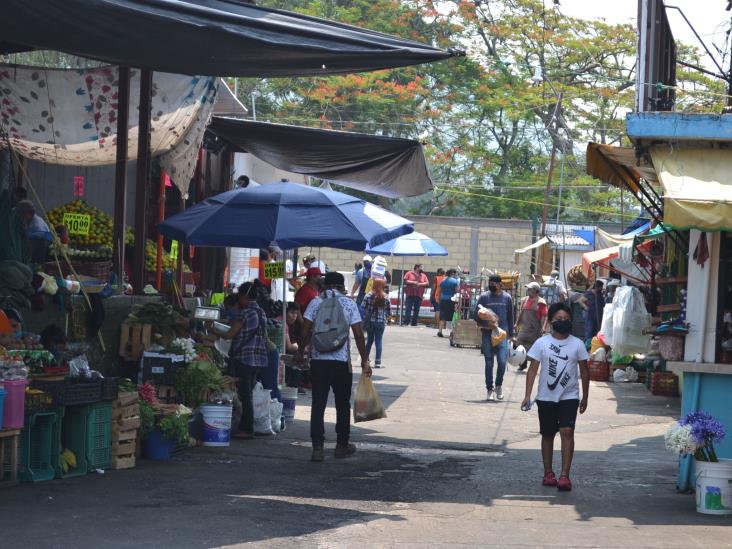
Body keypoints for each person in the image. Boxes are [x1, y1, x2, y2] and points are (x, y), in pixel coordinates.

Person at [299, 271, 371, 462]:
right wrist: (365, 359)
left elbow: (305, 329)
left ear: (324, 285)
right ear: (341, 287)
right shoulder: (349, 303)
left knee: (318, 403)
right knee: (342, 404)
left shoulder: (315, 302)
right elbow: (358, 334)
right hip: (340, 363)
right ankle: (341, 445)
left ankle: (317, 448)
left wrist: (300, 352)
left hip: (318, 360)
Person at [522, 302, 590, 492]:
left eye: (566, 319)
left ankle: (564, 476)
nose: (563, 322)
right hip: (546, 397)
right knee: (548, 434)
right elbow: (533, 369)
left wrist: (585, 397)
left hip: (570, 396)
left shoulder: (577, 344)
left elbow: (585, 371)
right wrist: (528, 395)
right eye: (559, 319)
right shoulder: (542, 343)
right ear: (551, 321)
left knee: (567, 431)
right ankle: (548, 472)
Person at [214, 282, 268, 440]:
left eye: (240, 297)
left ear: (244, 297)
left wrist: (213, 329)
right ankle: (247, 426)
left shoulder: (245, 313)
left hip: (245, 358)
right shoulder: (261, 312)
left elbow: (230, 334)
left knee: (245, 395)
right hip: (258, 358)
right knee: (248, 393)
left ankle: (247, 428)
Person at [475, 274, 514, 401]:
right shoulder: (484, 297)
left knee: (502, 362)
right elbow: (475, 314)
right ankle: (489, 389)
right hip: (487, 334)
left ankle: (498, 386)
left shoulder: (507, 298)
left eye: (494, 283)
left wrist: (511, 335)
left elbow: (511, 316)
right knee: (489, 362)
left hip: (502, 334)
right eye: (490, 283)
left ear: (500, 284)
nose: (491, 285)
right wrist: (487, 324)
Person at [514, 282, 548, 371]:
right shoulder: (525, 300)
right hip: (525, 328)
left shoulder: (541, 302)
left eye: (530, 289)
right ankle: (522, 364)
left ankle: (533, 366)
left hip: (535, 329)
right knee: (520, 344)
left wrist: (543, 327)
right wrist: (517, 323)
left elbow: (545, 316)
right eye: (528, 289)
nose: (528, 290)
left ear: (536, 291)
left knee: (535, 348)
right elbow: (521, 313)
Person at [362, 279, 391, 368]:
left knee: (369, 341)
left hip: (370, 322)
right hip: (380, 322)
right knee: (378, 341)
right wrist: (388, 319)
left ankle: (365, 359)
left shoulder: (368, 295)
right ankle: (378, 362)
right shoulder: (385, 296)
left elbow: (363, 307)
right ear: (382, 286)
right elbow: (389, 311)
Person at [582, 280, 605, 346]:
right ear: (597, 287)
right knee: (589, 333)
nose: (602, 288)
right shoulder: (589, 294)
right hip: (590, 316)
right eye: (601, 287)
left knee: (596, 333)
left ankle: (593, 346)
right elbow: (580, 301)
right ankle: (586, 347)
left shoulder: (600, 294)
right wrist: (586, 307)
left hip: (598, 317)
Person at [437, 269, 459, 338]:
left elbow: (440, 291)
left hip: (443, 299)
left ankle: (440, 331)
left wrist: (439, 299)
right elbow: (456, 291)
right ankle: (452, 332)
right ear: (453, 273)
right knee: (452, 316)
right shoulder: (455, 281)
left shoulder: (443, 281)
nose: (456, 275)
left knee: (442, 315)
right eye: (455, 273)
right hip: (451, 300)